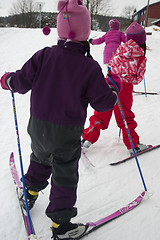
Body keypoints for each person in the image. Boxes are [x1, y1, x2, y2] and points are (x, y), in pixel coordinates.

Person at [0, 0, 122, 239]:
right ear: (85, 32)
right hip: (65, 133)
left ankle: (29, 192)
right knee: (64, 174)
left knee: (40, 159)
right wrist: (114, 90)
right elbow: (103, 102)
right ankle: (61, 224)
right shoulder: (88, 67)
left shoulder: (44, 55)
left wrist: (8, 80)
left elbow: (22, 81)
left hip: (38, 127)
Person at [82, 22, 150, 156]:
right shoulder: (140, 55)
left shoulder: (121, 48)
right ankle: (133, 145)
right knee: (125, 116)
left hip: (110, 82)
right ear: (142, 41)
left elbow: (111, 63)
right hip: (124, 86)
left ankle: (86, 139)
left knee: (101, 113)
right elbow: (138, 78)